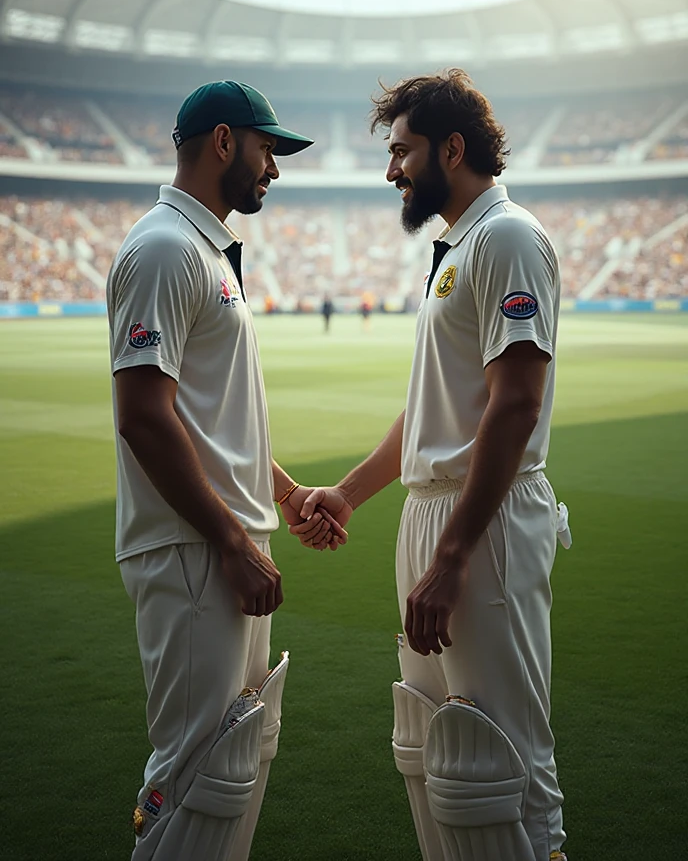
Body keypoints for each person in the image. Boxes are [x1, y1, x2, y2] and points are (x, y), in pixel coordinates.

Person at [291, 70, 570, 861]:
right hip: (434, 516)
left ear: (453, 147)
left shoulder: (509, 237)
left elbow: (514, 406)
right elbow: (431, 412)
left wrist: (452, 556)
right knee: (432, 747)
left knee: (505, 759)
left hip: (483, 523)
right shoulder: (461, 249)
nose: (391, 172)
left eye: (402, 152)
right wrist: (348, 493)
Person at [107, 80, 347, 861]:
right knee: (193, 780)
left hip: (218, 545)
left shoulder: (202, 250)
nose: (273, 167)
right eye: (266, 148)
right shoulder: (163, 249)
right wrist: (230, 540)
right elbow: (144, 413)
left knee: (228, 772)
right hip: (192, 550)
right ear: (222, 142)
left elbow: (212, 420)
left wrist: (285, 493)